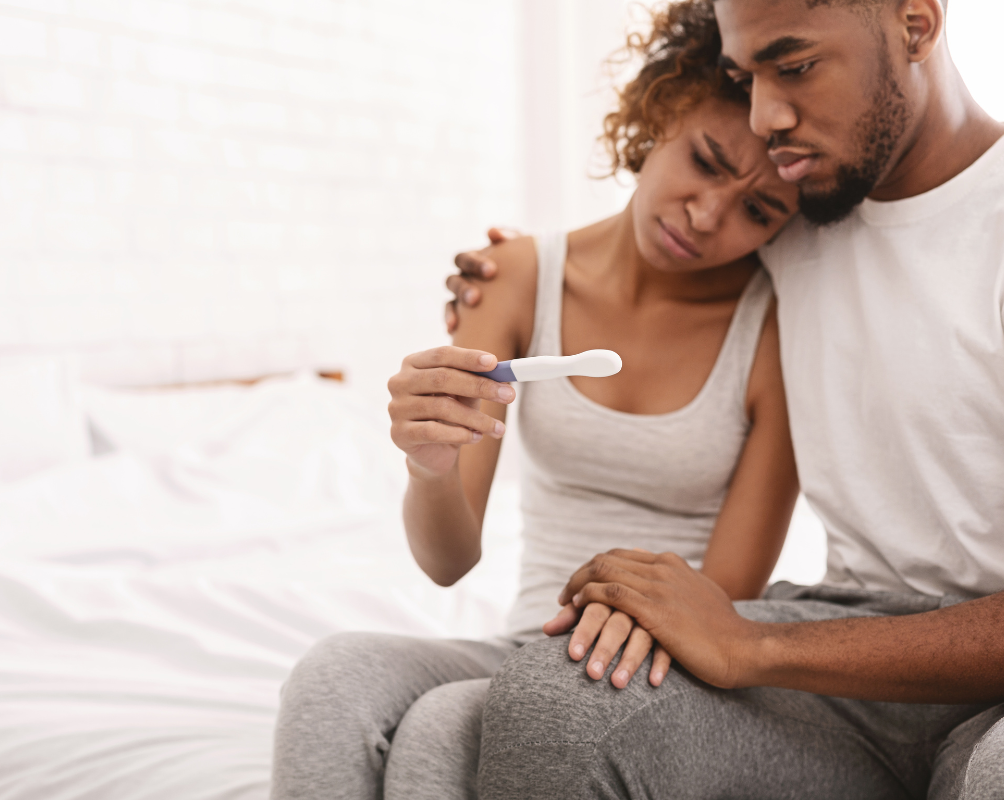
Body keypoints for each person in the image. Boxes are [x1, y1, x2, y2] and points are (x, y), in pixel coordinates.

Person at [448, 0, 1004, 797]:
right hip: (848, 635)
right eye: (745, 77)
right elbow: (658, 247)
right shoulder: (797, 208)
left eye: (794, 66)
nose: (766, 117)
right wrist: (513, 274)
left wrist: (754, 647)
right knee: (559, 702)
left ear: (916, 24)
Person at [269, 5, 802, 799]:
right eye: (705, 161)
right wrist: (430, 467)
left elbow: (725, 599)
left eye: (758, 211)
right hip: (525, 640)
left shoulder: (774, 332)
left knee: (445, 728)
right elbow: (448, 563)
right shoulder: (516, 276)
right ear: (660, 111)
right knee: (332, 677)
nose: (706, 214)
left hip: (661, 665)